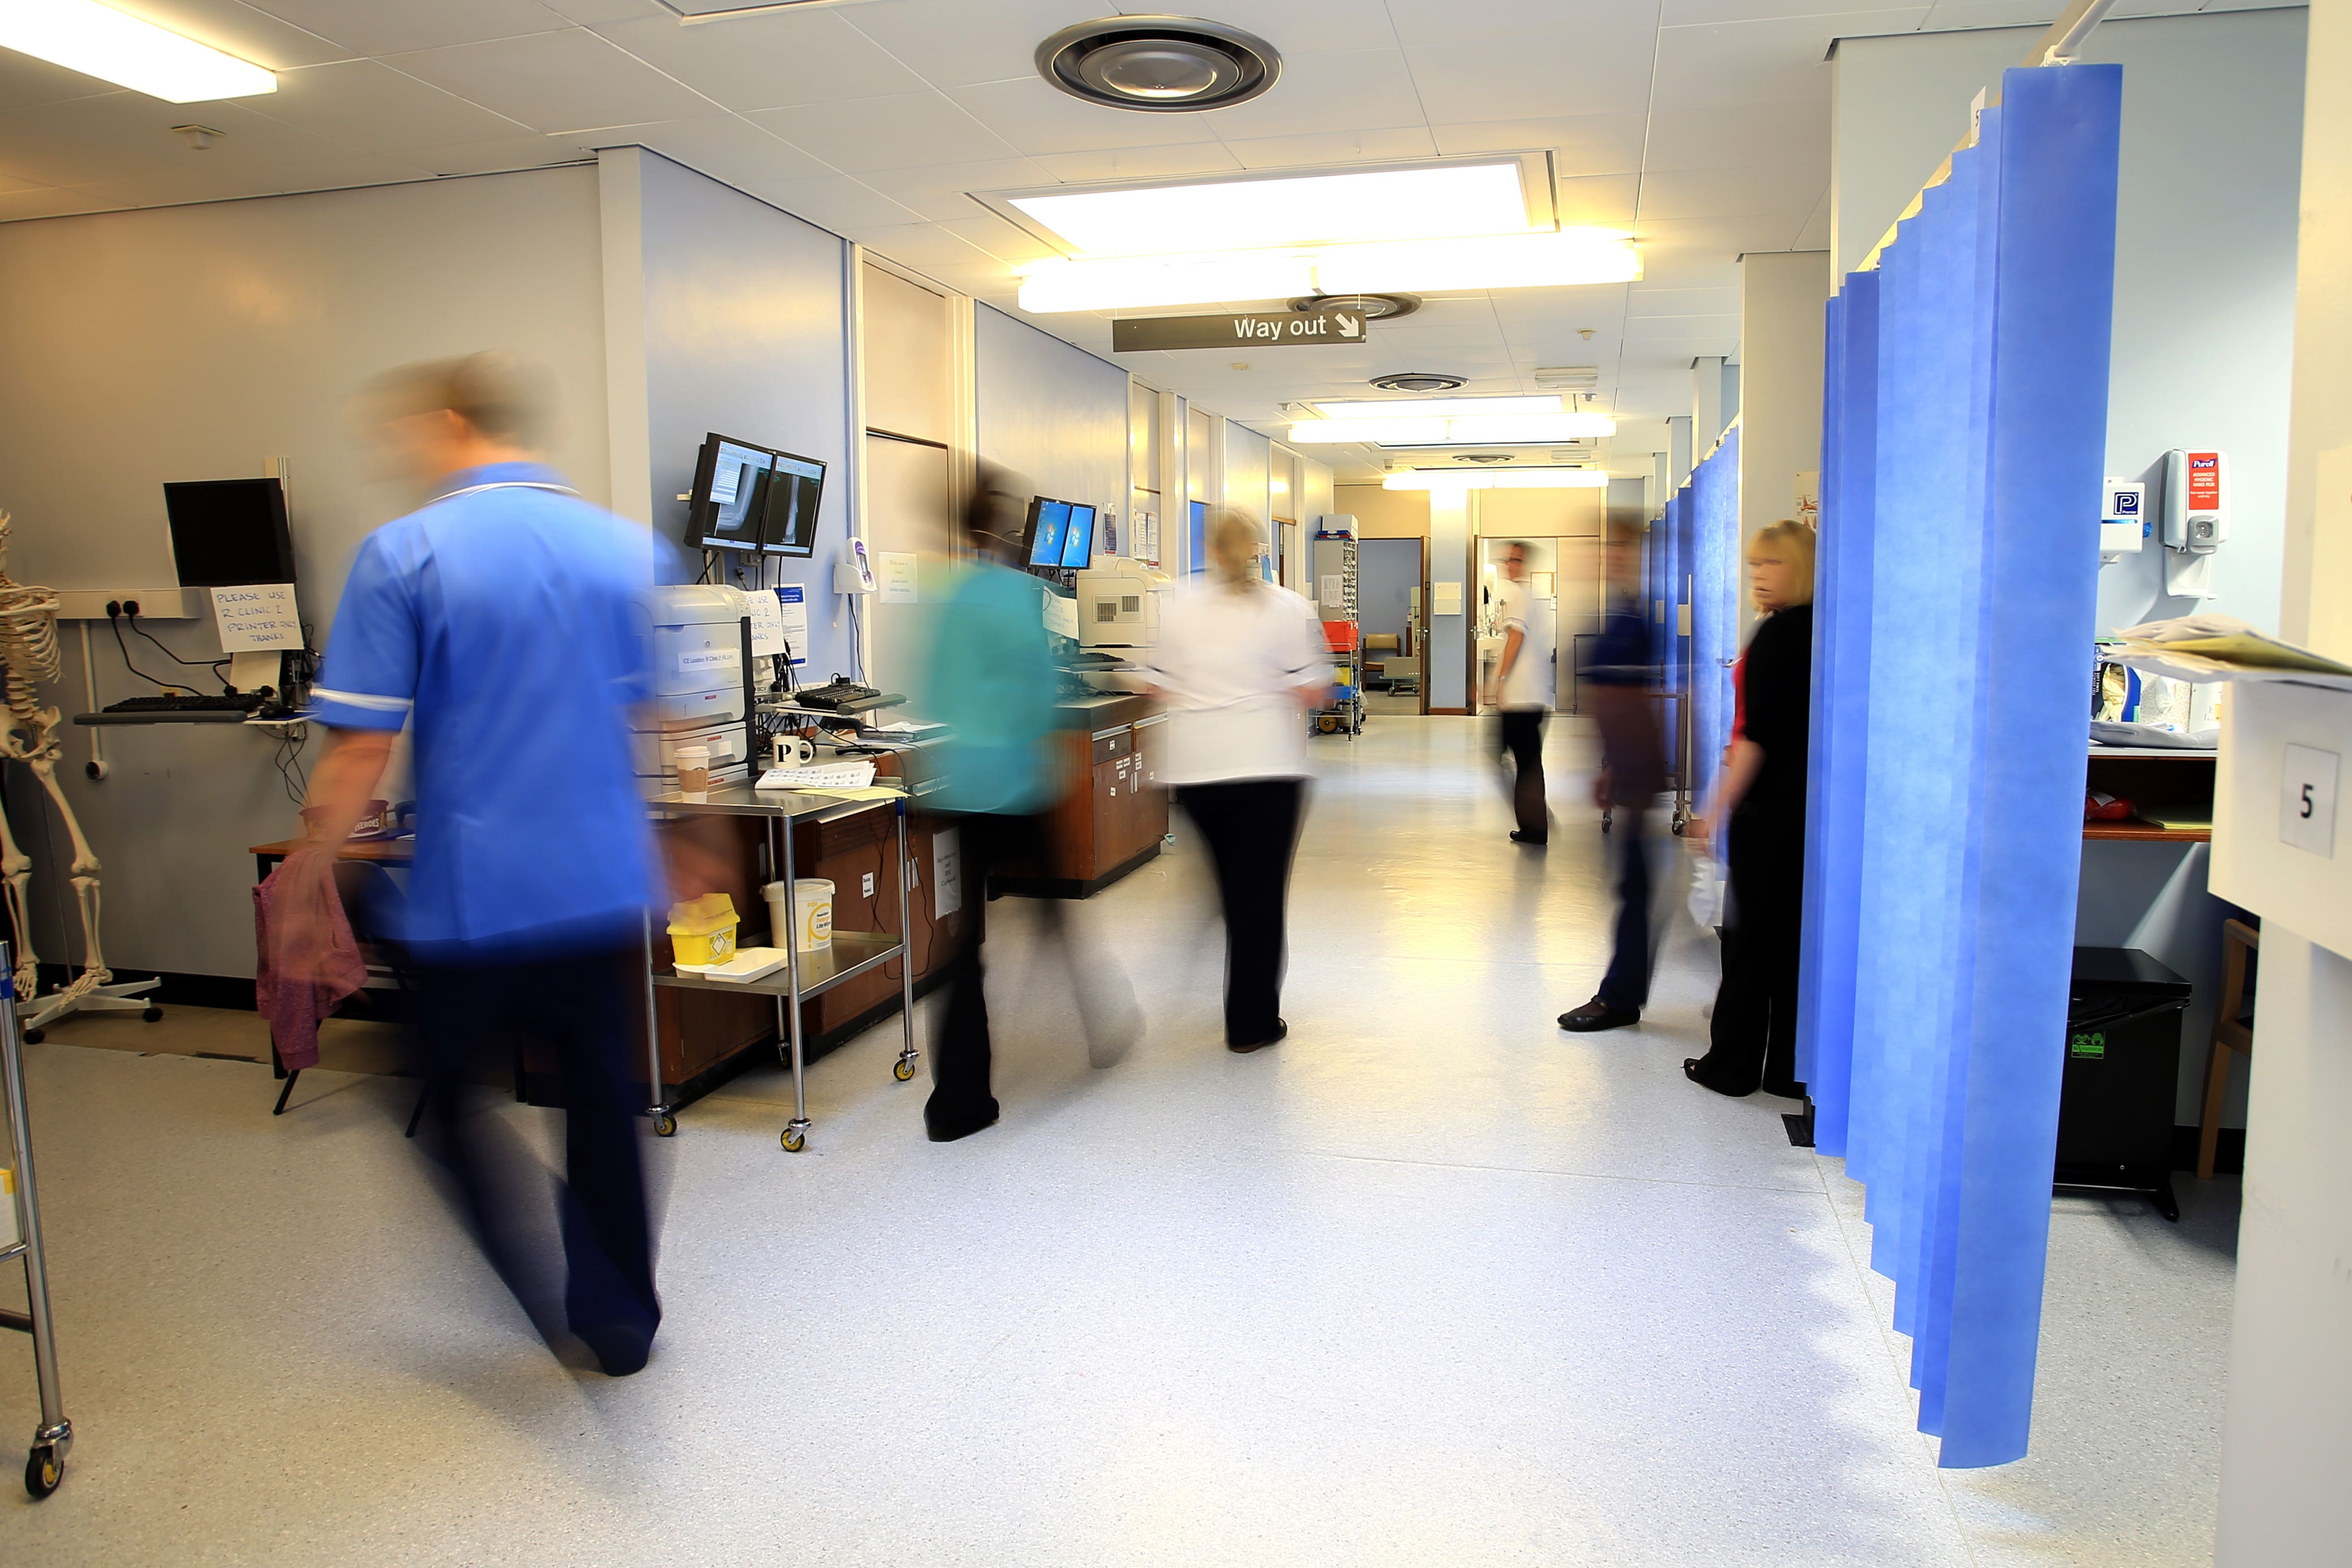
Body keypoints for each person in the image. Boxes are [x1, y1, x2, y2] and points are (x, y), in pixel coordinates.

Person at [297, 353, 669, 1375]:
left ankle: (542, 1283)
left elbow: (360, 747)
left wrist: (308, 874)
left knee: (443, 1100)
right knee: (600, 1097)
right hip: (600, 883)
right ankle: (618, 1315)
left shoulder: (406, 551)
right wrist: (706, 846)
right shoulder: (624, 550)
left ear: (453, 423)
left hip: (479, 897)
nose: (401, 451)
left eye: (412, 430)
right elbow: (659, 719)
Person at [914, 469, 1134, 1142]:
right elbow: (1041, 691)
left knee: (959, 945)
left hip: (958, 784)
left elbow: (932, 689)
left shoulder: (946, 597)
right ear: (1010, 527)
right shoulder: (1020, 595)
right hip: (1015, 780)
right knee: (1056, 917)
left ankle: (959, 1100)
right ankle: (1102, 1026)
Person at [1147, 509, 1328, 1053]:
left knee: (1236, 887)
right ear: (1255, 549)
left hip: (1198, 776)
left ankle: (1227, 909)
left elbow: (1155, 686)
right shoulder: (1286, 607)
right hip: (1266, 770)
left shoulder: (1177, 601)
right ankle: (1251, 1024)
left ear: (1210, 550)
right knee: (1261, 899)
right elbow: (1317, 690)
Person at [1683, 520, 1816, 1098]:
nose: (1759, 576)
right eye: (1754, 565)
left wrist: (1713, 809)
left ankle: (1730, 1065)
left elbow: (1756, 738)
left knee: (1746, 941)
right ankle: (1789, 1067)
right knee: (1790, 942)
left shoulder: (1777, 635)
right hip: (1806, 809)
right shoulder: (1820, 629)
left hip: (1769, 812)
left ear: (1800, 567)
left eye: (1772, 564)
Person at [1558, 521, 1666, 1033]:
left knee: (1636, 884)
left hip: (1637, 768)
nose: (1607, 558)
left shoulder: (1632, 621)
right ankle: (1623, 991)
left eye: (1616, 549)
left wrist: (1622, 768)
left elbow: (1627, 705)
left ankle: (1620, 998)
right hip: (1628, 765)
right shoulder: (1621, 615)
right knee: (1635, 882)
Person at [1486, 541, 1555, 844]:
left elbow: (1516, 638)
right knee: (1526, 761)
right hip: (1534, 696)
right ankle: (1535, 818)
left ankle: (1535, 822)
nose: (1509, 565)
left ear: (1524, 565)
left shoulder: (1515, 596)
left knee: (1512, 759)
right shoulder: (1531, 598)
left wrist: (1500, 680)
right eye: (1508, 560)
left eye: (1515, 560)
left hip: (1520, 698)